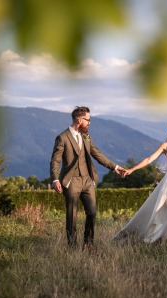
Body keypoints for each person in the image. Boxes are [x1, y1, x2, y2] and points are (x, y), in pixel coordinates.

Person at [50, 106, 125, 251]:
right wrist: (55, 179)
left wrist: (115, 167)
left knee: (92, 212)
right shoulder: (62, 137)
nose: (89, 123)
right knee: (72, 216)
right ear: (79, 120)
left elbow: (96, 153)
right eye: (88, 120)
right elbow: (55, 160)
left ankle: (88, 243)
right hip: (71, 181)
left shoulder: (86, 136)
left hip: (87, 180)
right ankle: (72, 247)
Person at [113, 121, 167, 248]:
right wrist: (132, 169)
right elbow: (149, 159)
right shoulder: (166, 146)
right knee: (160, 213)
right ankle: (151, 237)